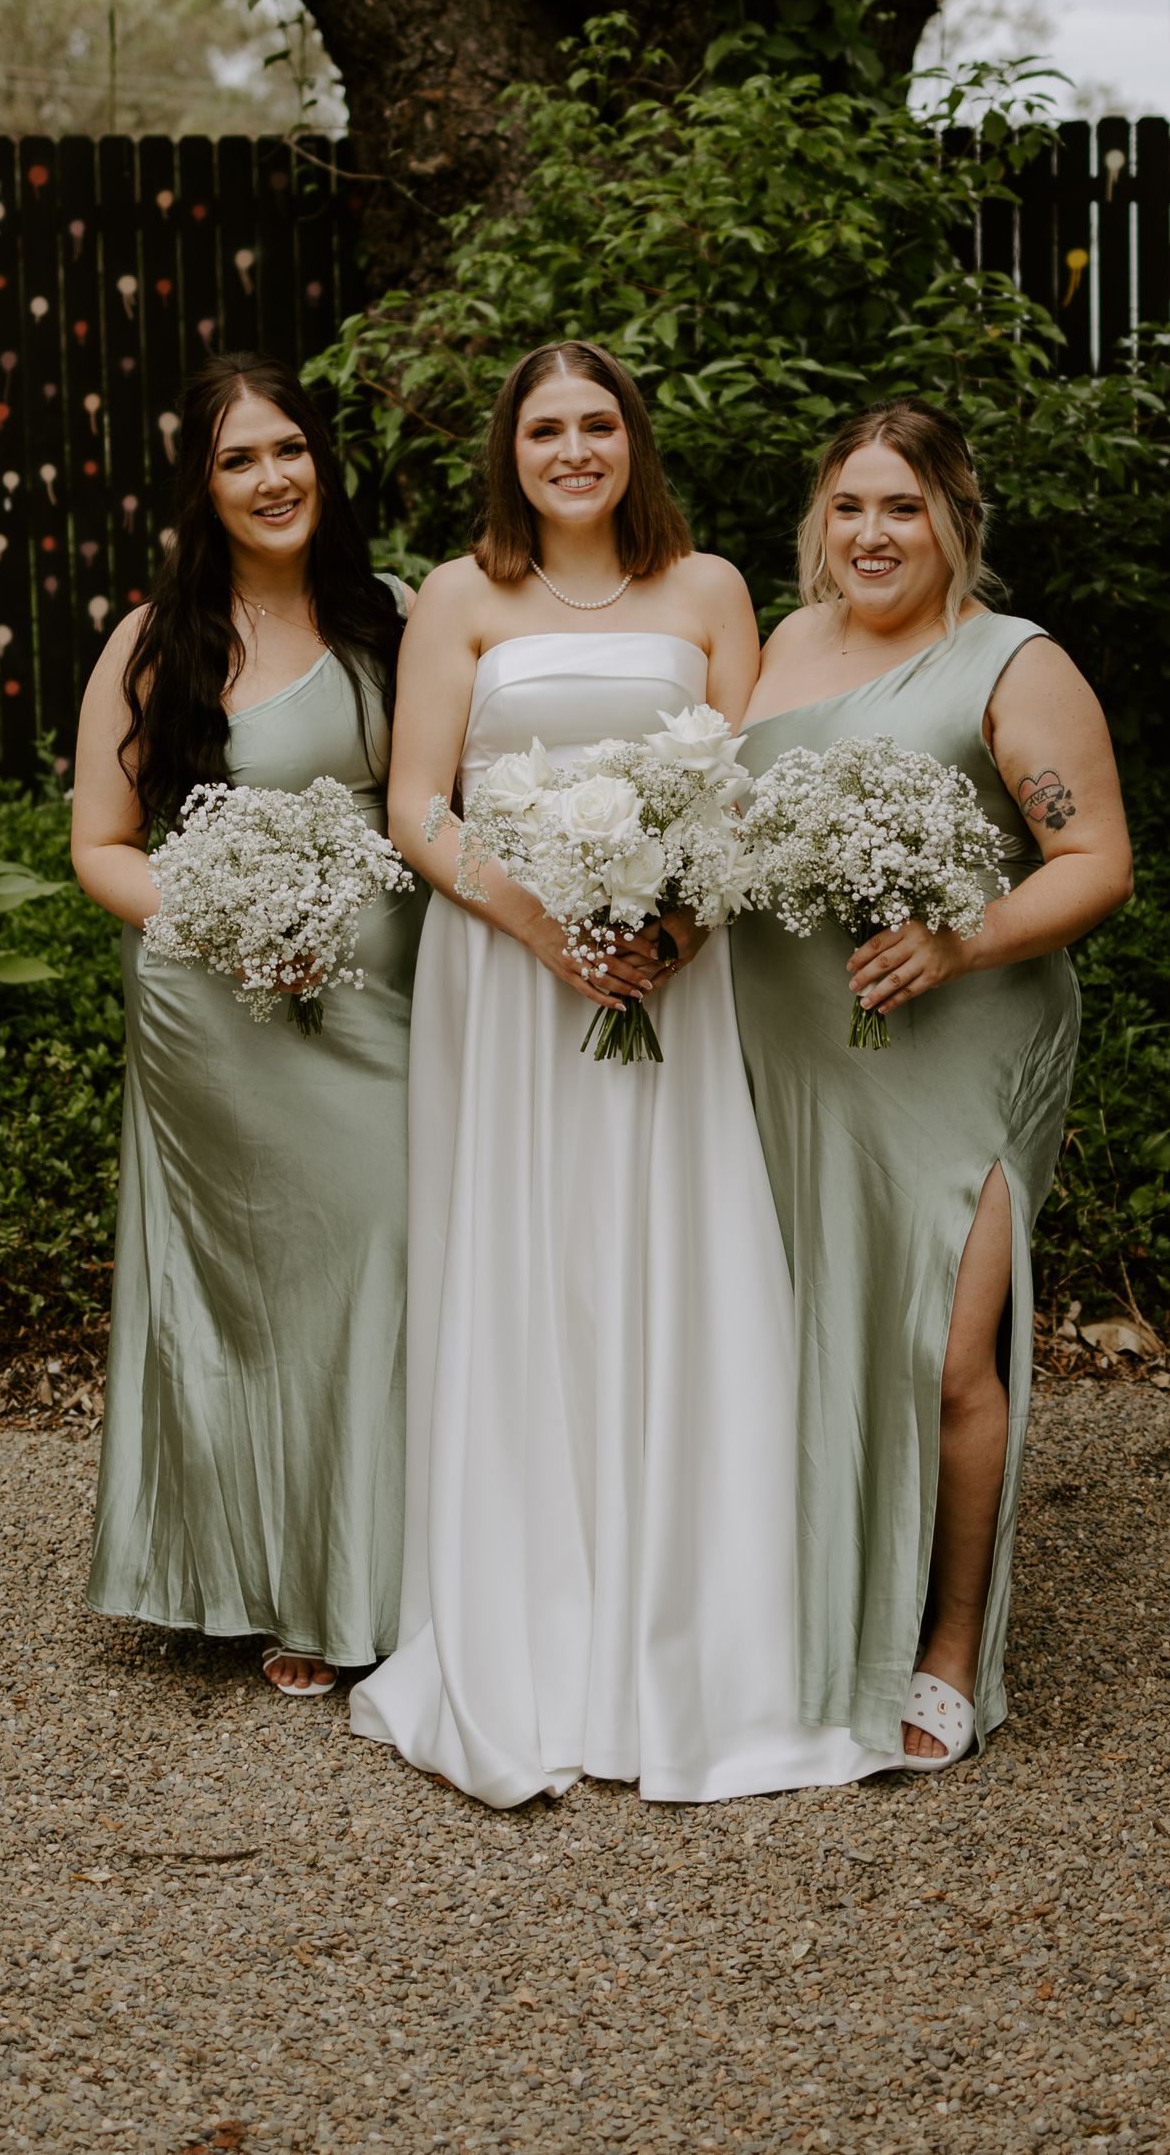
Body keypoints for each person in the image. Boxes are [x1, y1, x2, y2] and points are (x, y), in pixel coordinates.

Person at [348, 342, 894, 1805]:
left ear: (633, 441)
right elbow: (416, 805)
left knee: (670, 1261)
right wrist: (545, 930)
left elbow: (745, 793)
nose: (574, 449)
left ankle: (691, 1640)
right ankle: (524, 1630)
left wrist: (669, 922)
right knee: (530, 1269)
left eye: (598, 424)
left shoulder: (711, 590)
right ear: (509, 451)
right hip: (508, 978)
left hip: (672, 978)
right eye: (546, 428)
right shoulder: (459, 596)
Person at [732, 401, 1132, 1771]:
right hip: (789, 1051)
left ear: (956, 519)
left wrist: (958, 939)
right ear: (819, 521)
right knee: (809, 1332)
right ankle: (819, 1606)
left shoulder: (1010, 664)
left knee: (945, 1349)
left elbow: (1094, 866)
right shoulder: (784, 646)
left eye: (903, 507)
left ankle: (951, 1645)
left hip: (961, 1044)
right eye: (850, 506)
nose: (873, 533)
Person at [70, 354, 422, 1695]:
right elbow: (101, 846)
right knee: (270, 1287)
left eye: (287, 449)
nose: (270, 478)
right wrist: (225, 921)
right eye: (237, 459)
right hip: (225, 1007)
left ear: (322, 462)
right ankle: (274, 1582)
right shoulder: (158, 639)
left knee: (394, 1250)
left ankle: (385, 1567)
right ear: (201, 489)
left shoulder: (399, 615)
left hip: (394, 999)